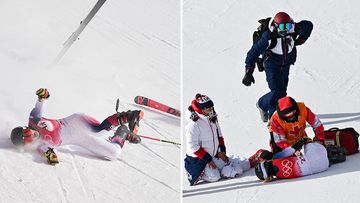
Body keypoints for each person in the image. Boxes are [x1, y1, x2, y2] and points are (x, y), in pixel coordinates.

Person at [10, 88, 143, 165]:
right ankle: (122, 132)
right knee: (113, 153)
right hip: (79, 139)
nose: (32, 135)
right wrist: (51, 157)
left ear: (25, 127)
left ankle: (128, 116)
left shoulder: (34, 119)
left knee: (98, 131)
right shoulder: (40, 145)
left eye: (27, 132)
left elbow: (40, 105)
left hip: (75, 122)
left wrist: (42, 97)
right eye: (28, 139)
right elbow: (49, 154)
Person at [242, 12, 313, 122]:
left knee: (282, 92)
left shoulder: (294, 30)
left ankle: (262, 103)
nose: (285, 30)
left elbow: (308, 25)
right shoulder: (268, 37)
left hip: (286, 65)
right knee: (277, 93)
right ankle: (273, 122)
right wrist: (248, 72)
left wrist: (301, 40)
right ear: (275, 25)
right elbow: (252, 53)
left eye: (288, 26)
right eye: (282, 27)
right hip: (272, 66)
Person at [251, 96, 329, 182]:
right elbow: (280, 142)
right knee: (270, 158)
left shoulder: (303, 109)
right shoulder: (275, 120)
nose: (291, 117)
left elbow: (317, 124)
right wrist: (294, 150)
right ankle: (257, 156)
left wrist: (320, 140)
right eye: (288, 116)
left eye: (293, 114)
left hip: (301, 141)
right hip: (283, 147)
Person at [184, 93, 250, 186]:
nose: (211, 110)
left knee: (225, 166)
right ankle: (198, 173)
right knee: (215, 177)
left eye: (212, 107)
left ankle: (241, 162)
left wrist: (221, 151)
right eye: (209, 108)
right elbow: (192, 146)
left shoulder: (212, 117)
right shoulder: (194, 124)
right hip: (199, 159)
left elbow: (219, 136)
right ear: (202, 109)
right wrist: (208, 159)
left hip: (213, 154)